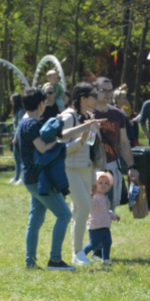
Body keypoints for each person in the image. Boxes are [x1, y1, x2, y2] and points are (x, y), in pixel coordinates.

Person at [17, 87, 102, 271]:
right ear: (40, 104)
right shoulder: (31, 125)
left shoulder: (25, 122)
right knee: (64, 214)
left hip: (33, 179)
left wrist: (87, 126)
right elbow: (44, 148)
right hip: (37, 179)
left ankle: (30, 262)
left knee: (36, 221)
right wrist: (62, 144)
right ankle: (55, 260)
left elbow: (62, 135)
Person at [60, 83, 100, 266]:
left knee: (78, 210)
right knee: (84, 208)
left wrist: (92, 132)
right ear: (83, 98)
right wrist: (79, 141)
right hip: (70, 170)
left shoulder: (89, 117)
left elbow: (89, 146)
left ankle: (76, 253)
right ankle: (78, 253)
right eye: (93, 96)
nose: (96, 99)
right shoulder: (68, 118)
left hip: (86, 168)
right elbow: (60, 149)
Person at [91, 77, 140, 209]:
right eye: (104, 90)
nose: (108, 94)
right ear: (95, 91)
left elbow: (124, 143)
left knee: (108, 210)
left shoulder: (117, 114)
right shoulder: (88, 113)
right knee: (91, 211)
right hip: (91, 168)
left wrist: (131, 167)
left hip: (110, 168)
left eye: (110, 90)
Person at [81, 172, 120, 265]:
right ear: (94, 185)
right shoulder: (93, 197)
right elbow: (90, 205)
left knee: (107, 242)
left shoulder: (104, 197)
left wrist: (114, 216)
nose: (103, 185)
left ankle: (105, 259)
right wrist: (90, 195)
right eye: (100, 183)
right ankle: (81, 254)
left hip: (105, 226)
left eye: (106, 183)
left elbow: (106, 211)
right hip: (95, 226)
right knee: (94, 244)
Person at [9, 94, 25, 185]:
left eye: (12, 100)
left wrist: (15, 138)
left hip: (19, 137)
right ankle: (16, 177)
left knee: (21, 158)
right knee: (16, 158)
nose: (11, 102)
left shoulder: (21, 111)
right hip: (15, 135)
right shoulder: (17, 111)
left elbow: (19, 126)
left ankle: (22, 178)